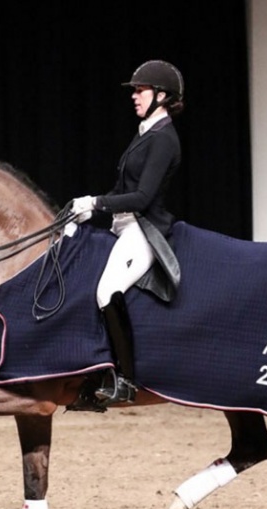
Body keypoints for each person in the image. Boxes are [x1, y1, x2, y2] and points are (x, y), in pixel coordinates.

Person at [71, 60, 185, 406]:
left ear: (162, 96)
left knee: (108, 290)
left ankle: (125, 380)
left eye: (140, 90)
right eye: (134, 91)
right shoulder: (144, 133)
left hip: (144, 230)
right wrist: (90, 210)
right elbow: (125, 187)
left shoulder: (164, 139)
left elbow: (142, 197)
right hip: (122, 225)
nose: (134, 97)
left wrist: (96, 201)